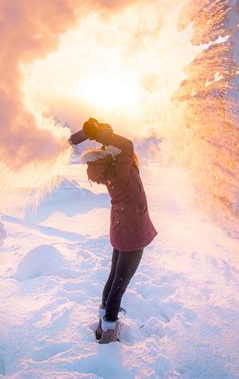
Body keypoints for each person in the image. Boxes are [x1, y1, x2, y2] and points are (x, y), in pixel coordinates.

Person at [69, 117, 158, 344]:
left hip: (123, 227)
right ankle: (108, 332)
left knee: (114, 278)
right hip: (132, 231)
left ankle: (103, 322)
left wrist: (101, 133)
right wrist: (101, 135)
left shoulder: (112, 169)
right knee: (119, 284)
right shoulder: (118, 172)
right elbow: (126, 145)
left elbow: (121, 149)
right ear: (112, 158)